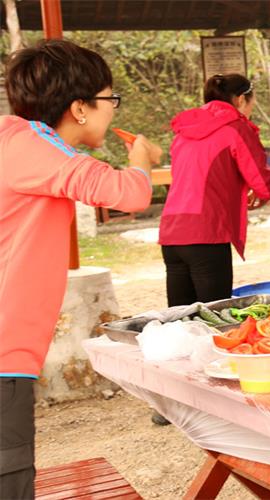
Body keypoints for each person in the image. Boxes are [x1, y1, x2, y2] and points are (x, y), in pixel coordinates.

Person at [0, 39, 161, 499]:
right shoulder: (30, 147)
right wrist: (139, 163)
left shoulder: (21, 141)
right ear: (80, 108)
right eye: (111, 99)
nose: (114, 110)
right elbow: (126, 194)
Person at [159, 74, 270, 306]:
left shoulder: (183, 131)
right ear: (240, 100)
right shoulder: (235, 127)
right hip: (206, 233)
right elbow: (263, 181)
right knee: (214, 319)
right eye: (251, 104)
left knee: (179, 321)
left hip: (171, 234)